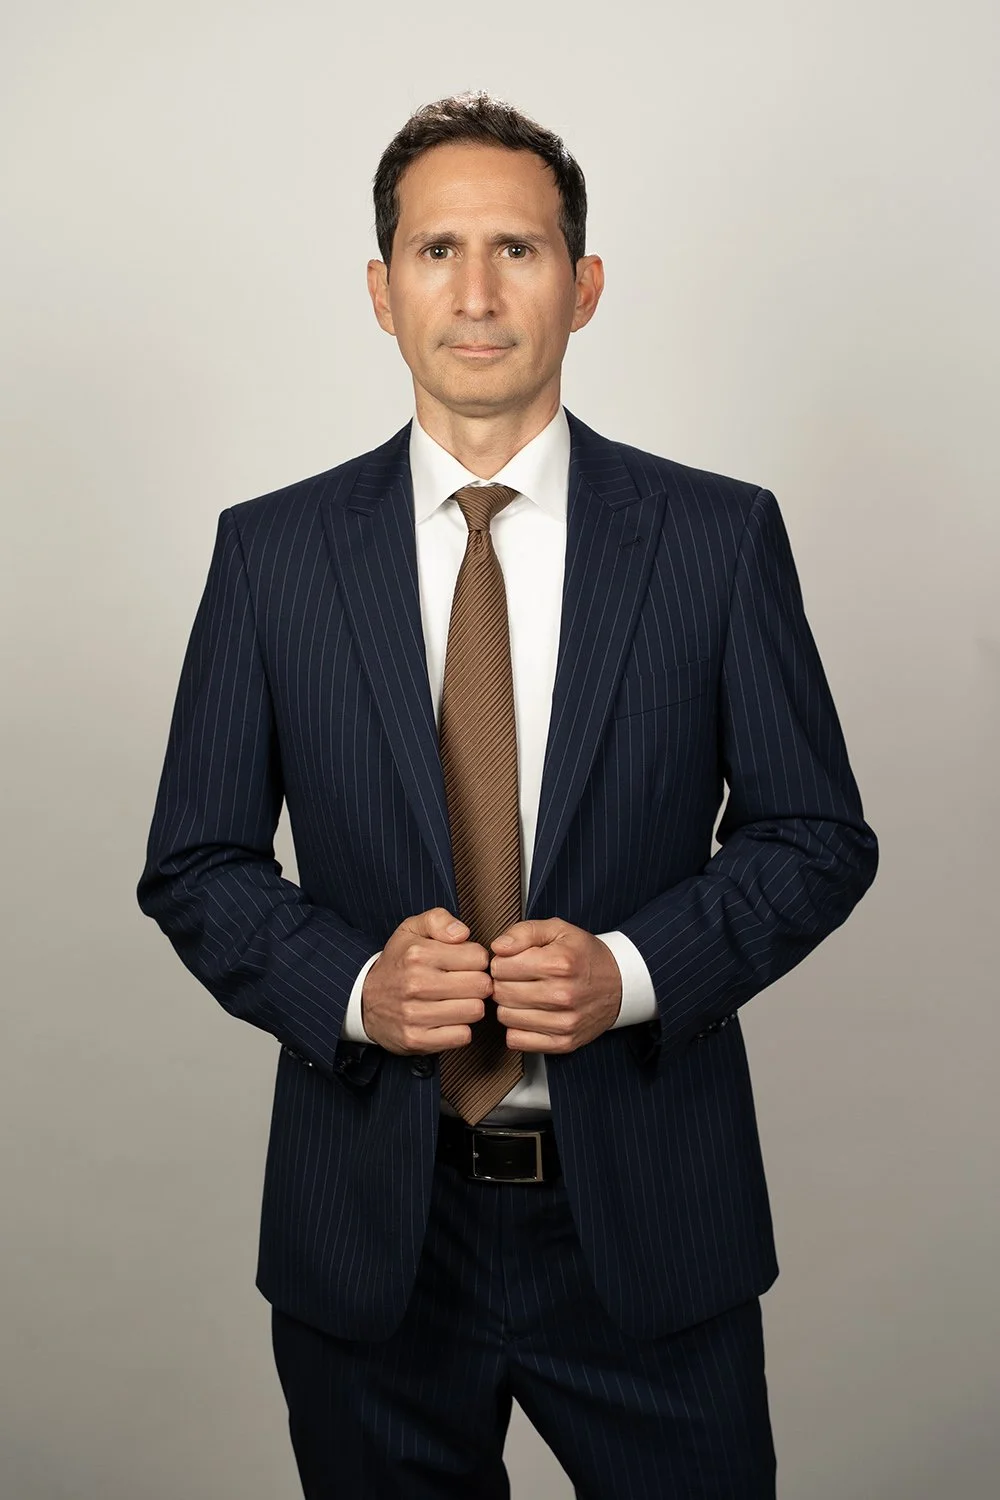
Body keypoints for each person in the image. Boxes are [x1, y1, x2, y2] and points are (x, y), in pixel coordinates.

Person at [137, 89, 878, 1499]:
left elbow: (816, 835)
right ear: (382, 291)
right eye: (438, 251)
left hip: (651, 1221)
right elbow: (196, 862)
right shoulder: (271, 555)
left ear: (583, 286)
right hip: (374, 1234)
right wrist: (358, 988)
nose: (476, 295)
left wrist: (633, 972)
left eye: (518, 251)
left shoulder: (718, 539)